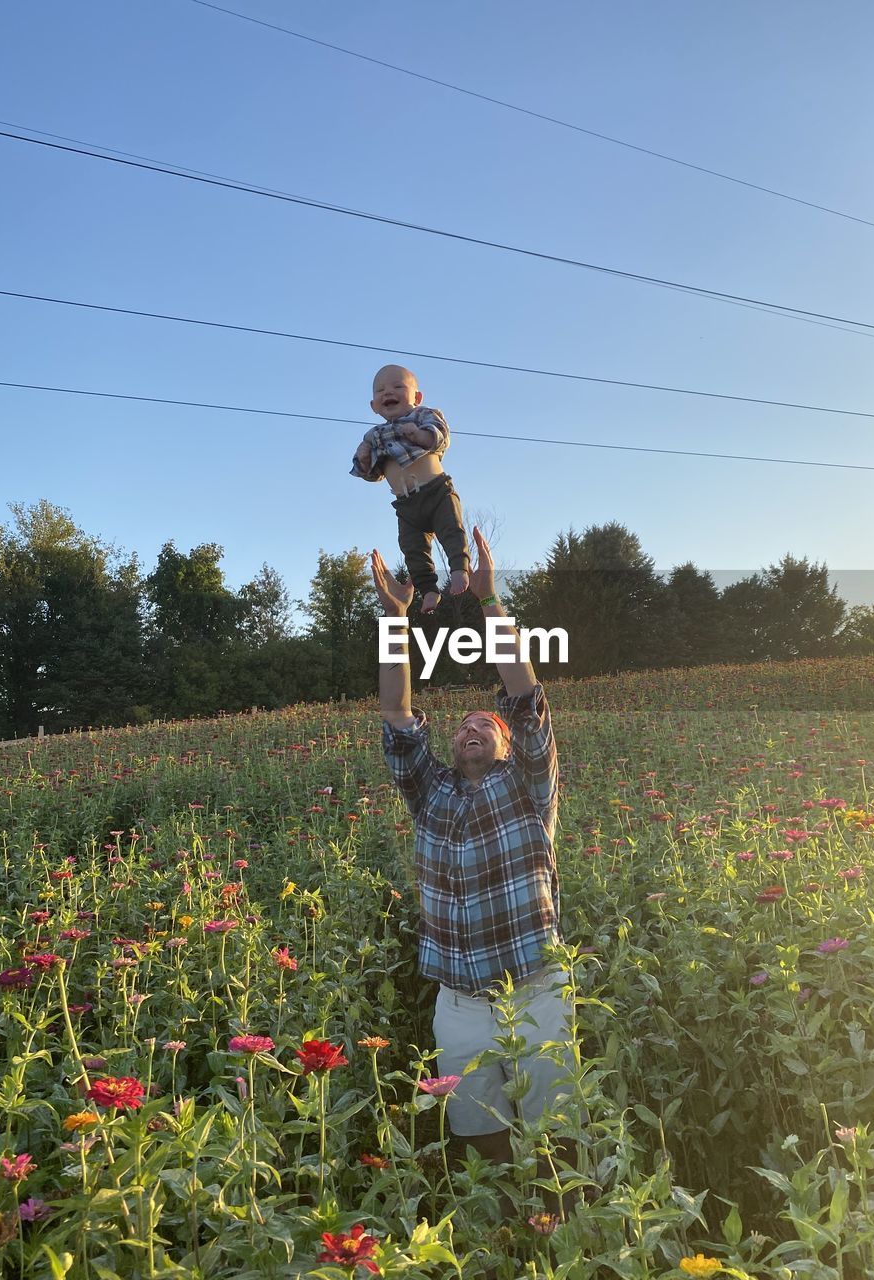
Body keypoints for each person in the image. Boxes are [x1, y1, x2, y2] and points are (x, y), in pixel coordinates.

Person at [372, 528, 572, 1186]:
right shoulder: (430, 793)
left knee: (553, 1138)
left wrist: (490, 603)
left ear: (512, 748)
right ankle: (506, 1231)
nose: (472, 725)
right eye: (462, 725)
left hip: (535, 991)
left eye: (488, 724)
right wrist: (396, 621)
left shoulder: (527, 790)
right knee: (479, 1131)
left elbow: (524, 696)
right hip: (458, 1002)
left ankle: (558, 1231)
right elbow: (399, 711)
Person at [353, 365, 470, 613]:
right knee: (411, 547)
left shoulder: (423, 415)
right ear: (374, 405)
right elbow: (373, 475)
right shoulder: (373, 436)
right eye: (380, 390)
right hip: (406, 504)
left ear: (416, 397)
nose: (388, 393)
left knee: (451, 529)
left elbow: (441, 438)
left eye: (397, 387)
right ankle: (428, 589)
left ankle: (459, 568)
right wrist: (364, 459)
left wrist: (420, 435)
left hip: (436, 491)